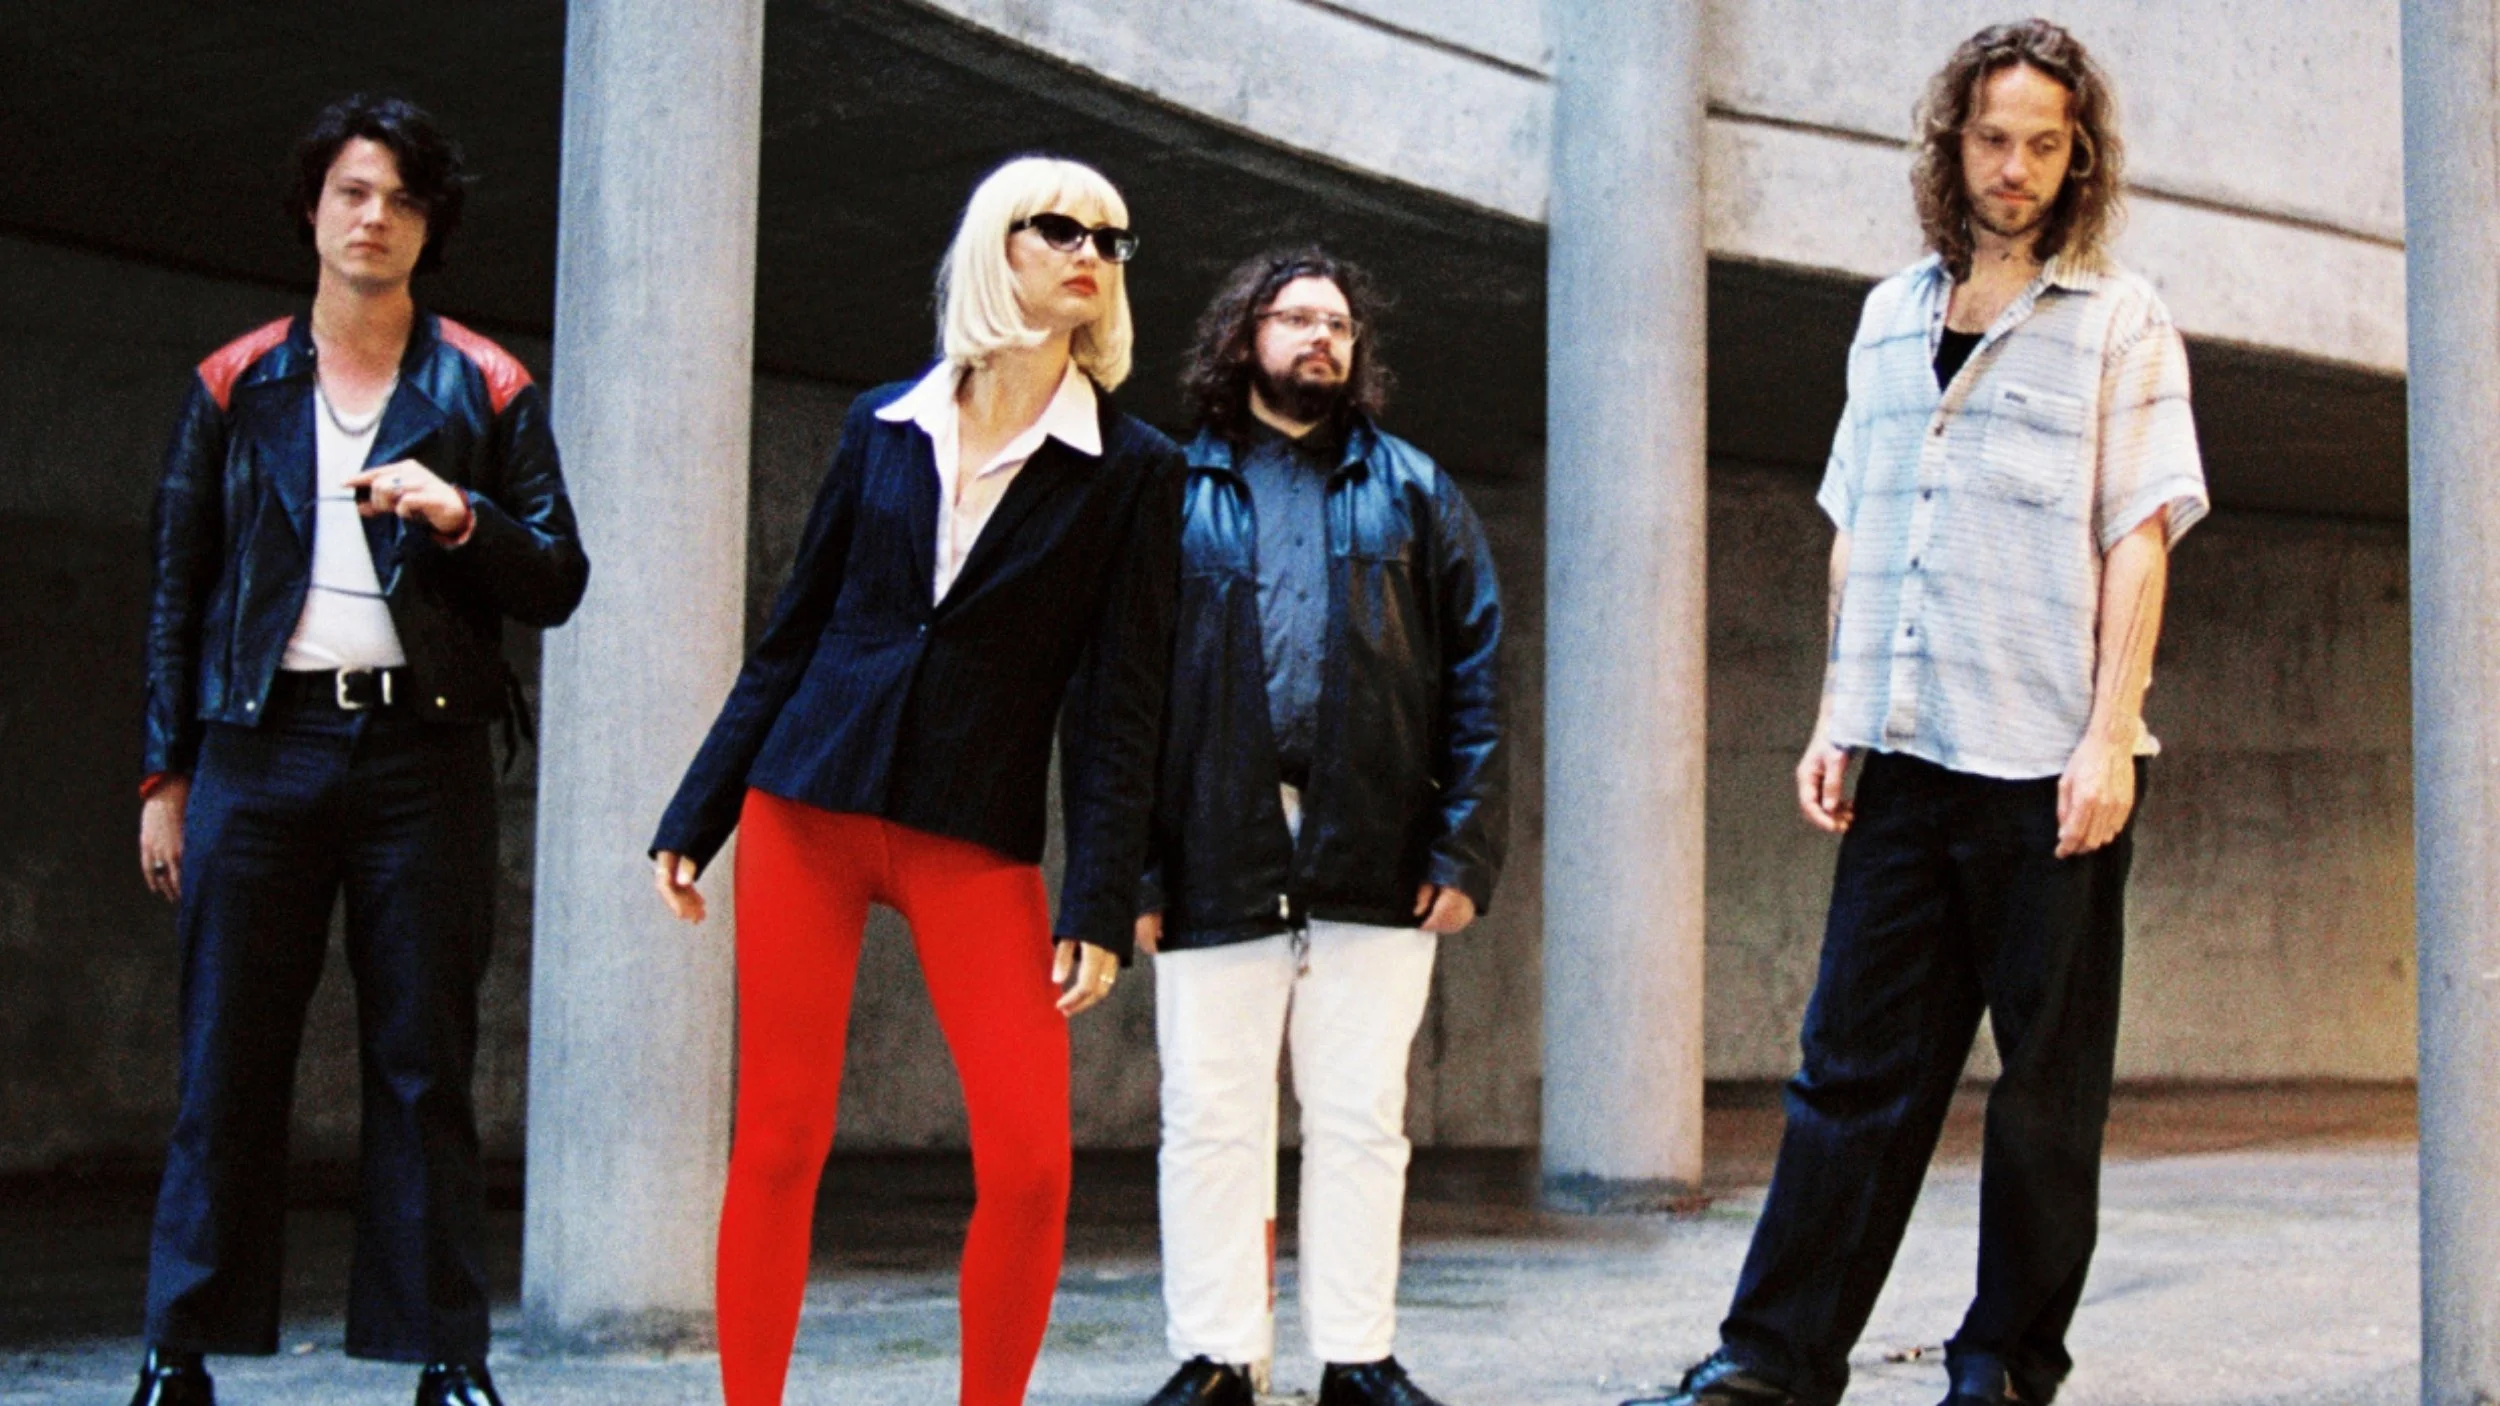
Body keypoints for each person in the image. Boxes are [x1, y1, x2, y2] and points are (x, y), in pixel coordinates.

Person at [1634, 21, 2208, 1406]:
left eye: (2043, 145)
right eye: (1992, 139)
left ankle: (2004, 1368)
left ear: (2079, 161)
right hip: (1902, 754)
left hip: (2047, 771)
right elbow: (1859, 525)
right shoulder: (1889, 314)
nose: (2014, 168)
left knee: (2044, 1101)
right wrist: (1838, 711)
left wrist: (2105, 736)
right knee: (1846, 1081)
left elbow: (2141, 535)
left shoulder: (2120, 316)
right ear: (1954, 143)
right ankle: (1770, 1364)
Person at [648, 155, 1181, 1406]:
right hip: (807, 806)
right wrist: (701, 807)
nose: (1090, 254)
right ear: (998, 246)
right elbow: (795, 630)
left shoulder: (1132, 467)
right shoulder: (882, 422)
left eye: (1111, 238)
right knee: (778, 1140)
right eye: (1060, 229)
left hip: (970, 833)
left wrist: (1099, 894)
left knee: (1033, 1163)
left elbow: (1120, 702)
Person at [130, 95, 590, 1406]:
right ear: (314, 211)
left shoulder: (485, 385)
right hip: (257, 750)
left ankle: (446, 1356)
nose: (371, 215)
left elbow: (557, 577)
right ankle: (180, 1349)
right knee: (225, 1054)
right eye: (349, 191)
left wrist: (465, 517)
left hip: (419, 759)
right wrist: (167, 777)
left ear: (427, 222)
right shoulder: (235, 382)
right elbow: (179, 588)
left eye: (396, 195)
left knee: (422, 1058)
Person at [1136, 248, 1505, 1406]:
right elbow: (1121, 694)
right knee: (1207, 1115)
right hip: (1211, 845)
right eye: (1294, 317)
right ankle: (1214, 1357)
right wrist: (1131, 871)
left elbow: (1479, 675)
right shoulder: (1168, 489)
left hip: (1374, 850)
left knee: (1359, 1119)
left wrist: (1461, 848)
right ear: (1242, 335)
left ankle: (1356, 1355)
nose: (1319, 338)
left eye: (1337, 323)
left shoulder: (1414, 489)